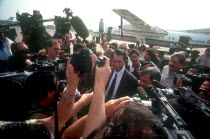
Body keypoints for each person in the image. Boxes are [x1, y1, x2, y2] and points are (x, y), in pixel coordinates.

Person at [81, 57, 167, 139]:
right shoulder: (134, 98)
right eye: (140, 80)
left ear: (155, 84)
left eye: (145, 81)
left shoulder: (163, 106)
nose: (141, 83)